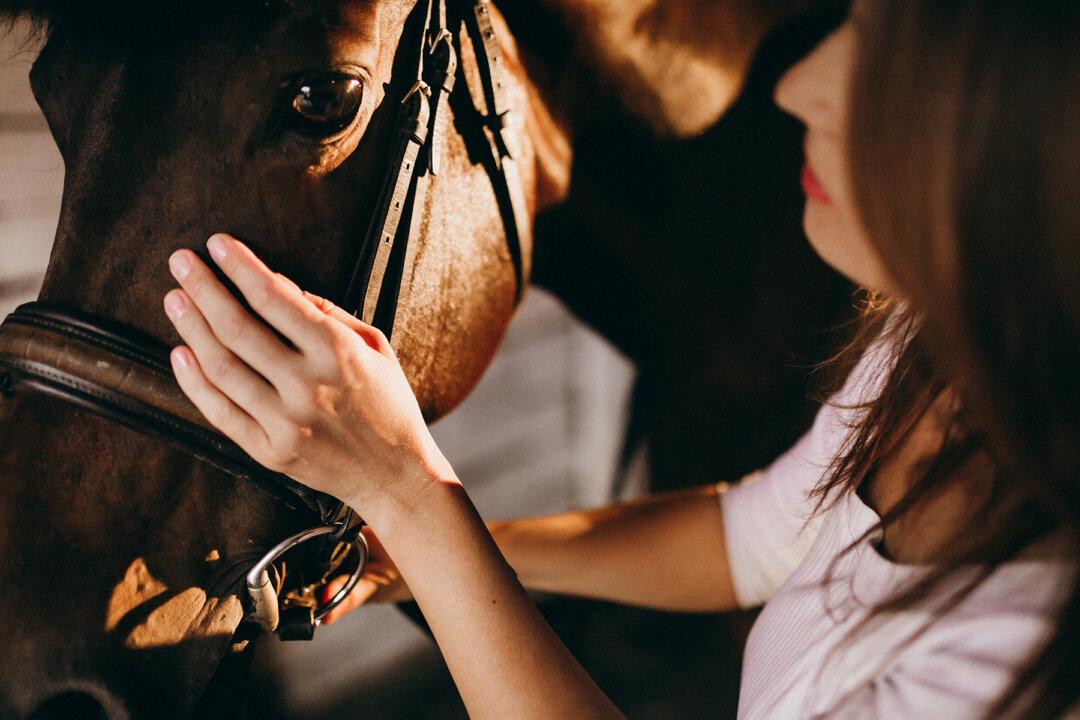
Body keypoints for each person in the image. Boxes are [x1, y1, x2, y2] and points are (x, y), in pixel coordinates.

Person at [160, 0, 1079, 717]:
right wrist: (421, 556)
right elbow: (753, 539)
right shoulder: (931, 354)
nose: (797, 84)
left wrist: (407, 493)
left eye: (884, 58)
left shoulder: (1032, 644)